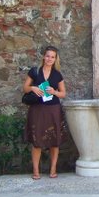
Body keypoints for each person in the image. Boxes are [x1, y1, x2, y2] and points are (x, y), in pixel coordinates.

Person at [22, 44, 66, 178]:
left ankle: (53, 170)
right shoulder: (35, 71)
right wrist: (33, 88)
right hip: (37, 109)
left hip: (53, 109)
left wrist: (54, 92)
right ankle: (36, 171)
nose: (49, 59)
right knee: (37, 141)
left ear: (55, 59)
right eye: (48, 56)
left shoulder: (57, 75)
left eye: (52, 57)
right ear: (43, 57)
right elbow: (25, 88)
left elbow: (63, 93)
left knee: (54, 141)